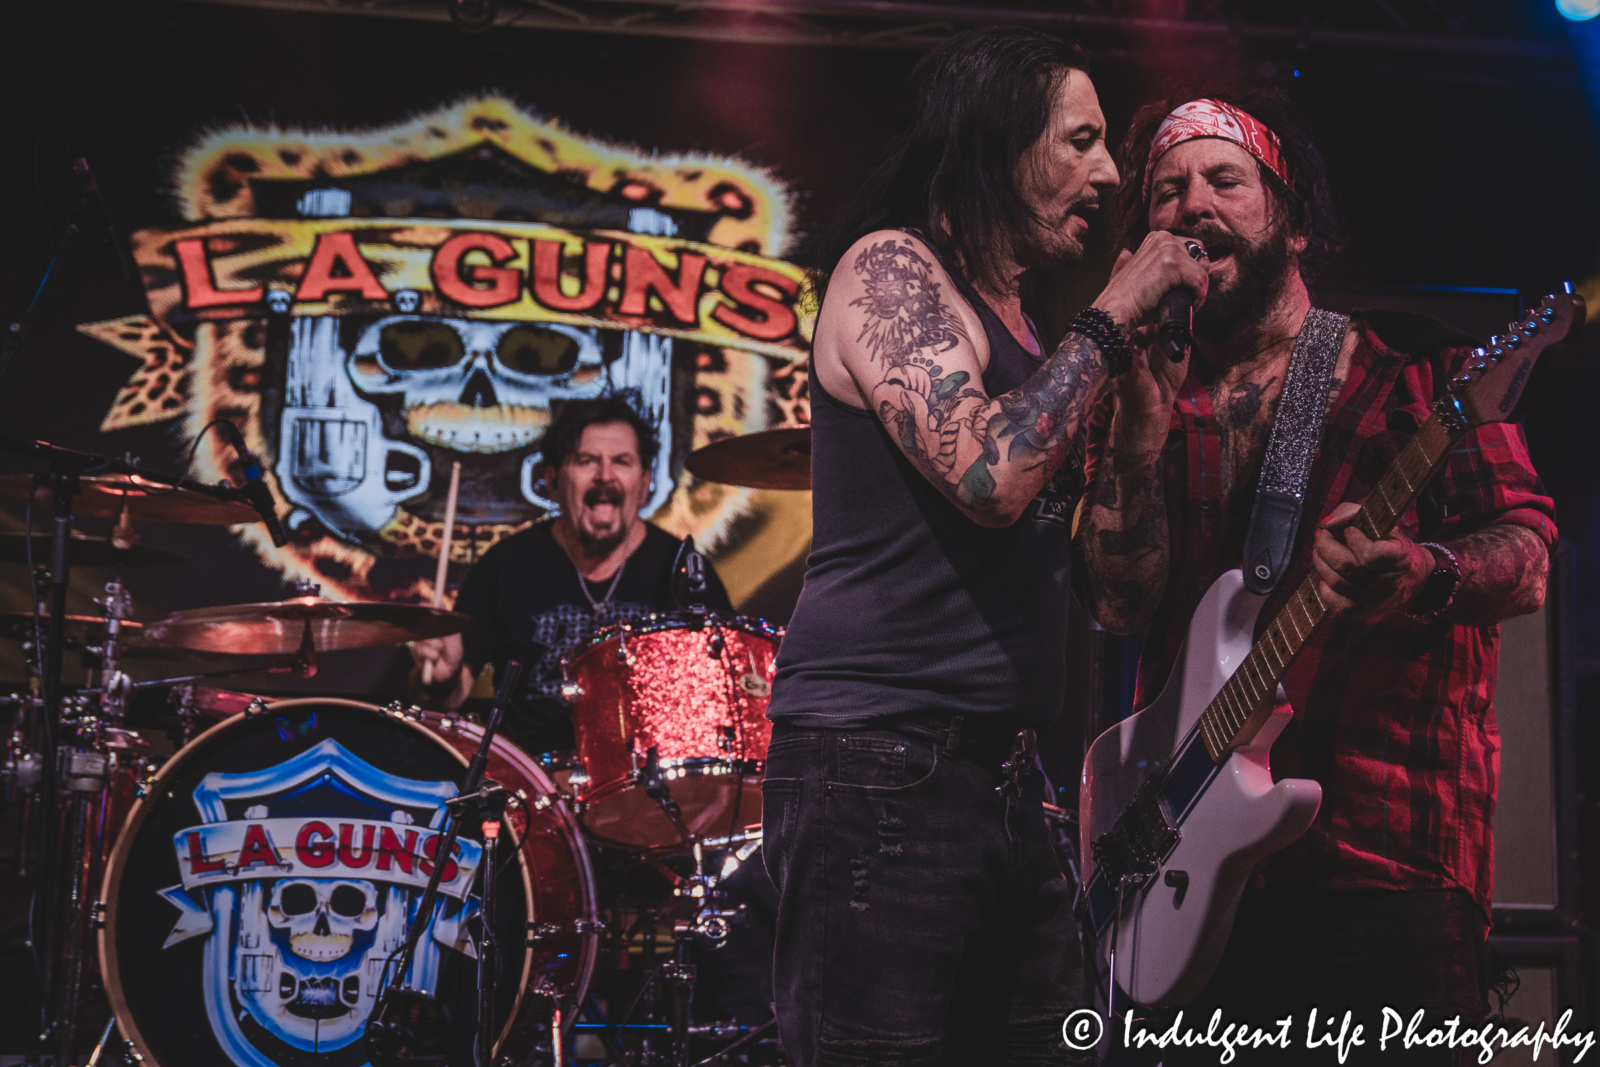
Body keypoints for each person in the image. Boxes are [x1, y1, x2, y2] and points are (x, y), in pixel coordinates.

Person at [1075, 82, 1556, 1058]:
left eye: (1224, 180)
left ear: (1290, 222)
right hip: (1179, 867)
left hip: (1384, 864)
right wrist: (1131, 441)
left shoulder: (1415, 376)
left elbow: (1526, 555)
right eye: (1165, 192)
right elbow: (1118, 601)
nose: (1191, 207)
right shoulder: (1138, 398)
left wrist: (1423, 569)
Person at [762, 28, 1210, 1067]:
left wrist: (1141, 429)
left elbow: (1119, 597)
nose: (1109, 175)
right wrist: (1109, 319)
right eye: (1081, 142)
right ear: (998, 145)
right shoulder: (893, 271)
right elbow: (988, 476)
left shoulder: (1032, 326)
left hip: (1004, 773)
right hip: (877, 762)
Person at [410, 392, 733, 754]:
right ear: (552, 480)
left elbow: (724, 696)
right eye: (586, 461)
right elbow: (450, 700)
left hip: (653, 788)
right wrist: (442, 680)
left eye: (622, 462)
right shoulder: (506, 566)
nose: (605, 476)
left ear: (644, 485)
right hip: (531, 786)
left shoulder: (684, 570)